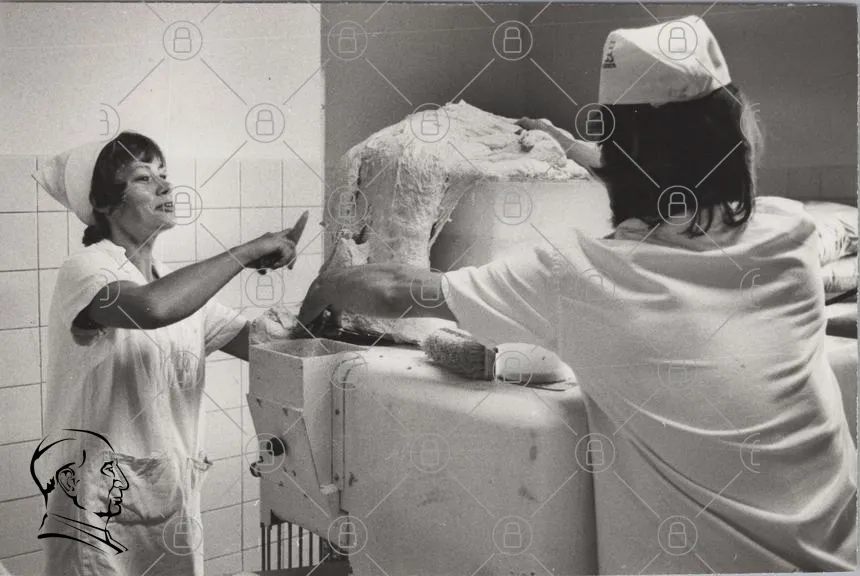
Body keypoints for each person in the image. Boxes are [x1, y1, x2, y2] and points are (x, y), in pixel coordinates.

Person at [298, 16, 856, 573]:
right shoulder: (792, 235)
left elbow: (399, 290)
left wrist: (328, 283)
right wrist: (569, 146)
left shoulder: (583, 278)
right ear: (738, 136)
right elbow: (667, 171)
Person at [37, 131, 308, 576]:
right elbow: (153, 308)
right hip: (100, 510)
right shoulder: (86, 269)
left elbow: (268, 348)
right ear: (104, 203)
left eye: (164, 174)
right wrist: (247, 251)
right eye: (144, 178)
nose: (165, 186)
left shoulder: (172, 283)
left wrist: (329, 294)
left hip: (169, 504)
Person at [31, 430, 129, 555]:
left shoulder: (101, 542)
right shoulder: (78, 550)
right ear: (70, 482)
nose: (123, 483)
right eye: (109, 468)